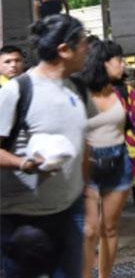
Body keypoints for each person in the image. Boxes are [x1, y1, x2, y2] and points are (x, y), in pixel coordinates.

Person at [0, 14, 90, 277]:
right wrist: (24, 164)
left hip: (70, 212)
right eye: (83, 42)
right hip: (22, 220)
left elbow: (85, 144)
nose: (88, 49)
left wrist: (90, 198)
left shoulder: (78, 89)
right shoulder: (16, 92)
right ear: (64, 50)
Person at [81, 39, 135, 278]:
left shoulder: (126, 93)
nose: (123, 64)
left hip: (119, 162)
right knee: (89, 230)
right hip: (85, 166)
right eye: (118, 60)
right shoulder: (79, 93)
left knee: (108, 228)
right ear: (102, 63)